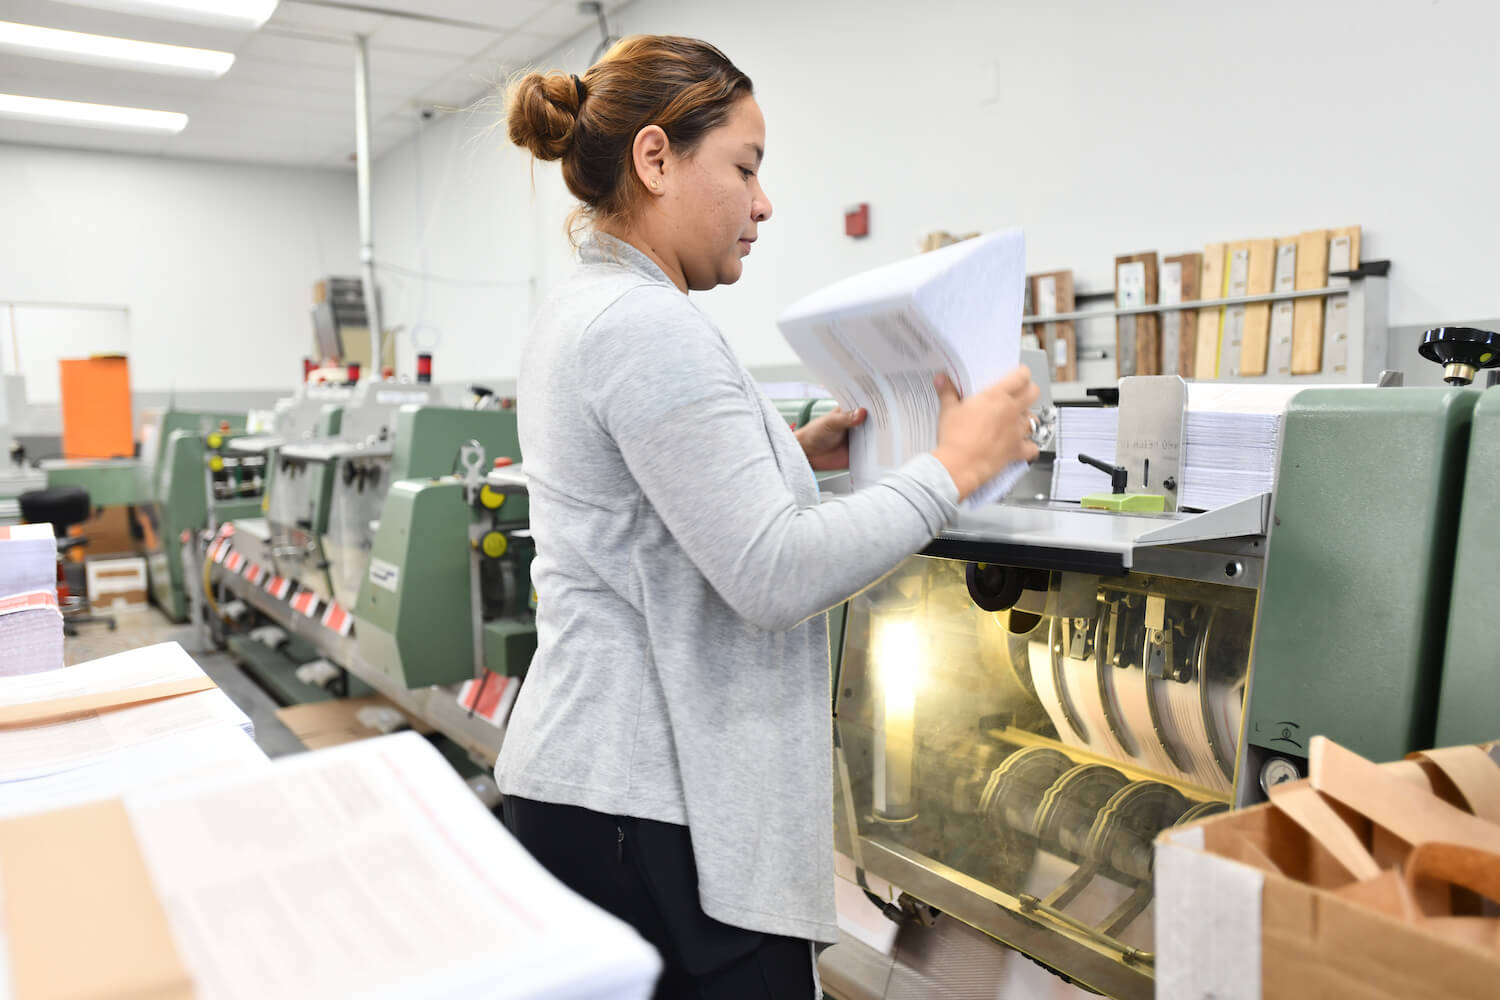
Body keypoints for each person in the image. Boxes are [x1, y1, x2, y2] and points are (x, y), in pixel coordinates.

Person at [495, 34, 1040, 999]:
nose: (764, 202)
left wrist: (788, 453)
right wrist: (951, 468)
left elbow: (640, 505)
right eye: (744, 167)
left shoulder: (589, 307)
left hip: (598, 792)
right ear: (655, 159)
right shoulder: (646, 325)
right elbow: (773, 573)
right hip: (651, 818)